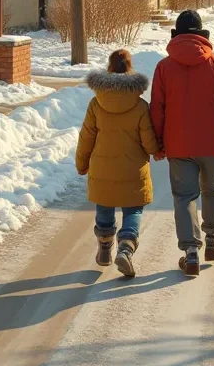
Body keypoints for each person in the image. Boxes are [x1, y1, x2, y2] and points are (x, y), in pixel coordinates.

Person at [150, 10, 214, 276]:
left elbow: (157, 109)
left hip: (178, 146)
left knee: (184, 197)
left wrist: (157, 143)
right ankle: (213, 242)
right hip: (211, 145)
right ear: (202, 35)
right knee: (212, 191)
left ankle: (191, 252)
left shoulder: (164, 67)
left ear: (177, 35)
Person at [76, 49, 159, 278]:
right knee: (133, 208)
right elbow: (148, 140)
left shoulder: (96, 103)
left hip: (102, 168)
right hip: (133, 168)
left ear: (109, 68)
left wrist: (81, 162)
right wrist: (157, 151)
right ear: (130, 68)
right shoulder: (140, 105)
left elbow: (87, 137)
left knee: (105, 203)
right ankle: (126, 247)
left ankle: (104, 244)